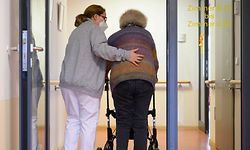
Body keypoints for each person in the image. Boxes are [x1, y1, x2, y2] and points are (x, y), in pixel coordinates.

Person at [59, 5, 144, 150]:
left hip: (67, 84)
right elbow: (101, 50)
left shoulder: (76, 32)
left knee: (73, 121)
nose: (105, 22)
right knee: (88, 123)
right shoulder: (94, 29)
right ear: (95, 17)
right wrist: (126, 55)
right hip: (86, 84)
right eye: (104, 18)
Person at [106, 9, 159, 150]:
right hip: (145, 80)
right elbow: (155, 62)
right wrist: (154, 77)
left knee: (122, 121)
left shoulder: (114, 37)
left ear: (122, 22)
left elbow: (107, 60)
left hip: (121, 81)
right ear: (142, 21)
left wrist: (105, 76)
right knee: (141, 121)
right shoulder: (148, 36)